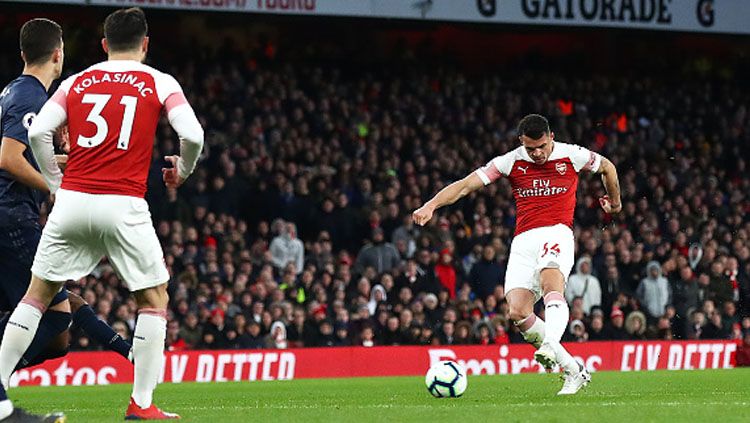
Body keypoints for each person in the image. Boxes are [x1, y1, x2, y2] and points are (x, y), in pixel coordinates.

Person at [0, 8, 203, 420]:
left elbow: (38, 133)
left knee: (36, 298)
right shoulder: (159, 81)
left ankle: (0, 391)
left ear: (104, 45)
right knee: (152, 298)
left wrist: (57, 183)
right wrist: (181, 170)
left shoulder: (76, 81)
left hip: (72, 203)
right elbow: (193, 135)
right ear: (145, 44)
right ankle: (140, 405)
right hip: (123, 203)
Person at [413, 114, 621, 395]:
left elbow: (607, 167)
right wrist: (431, 205)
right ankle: (574, 371)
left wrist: (615, 203)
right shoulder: (511, 160)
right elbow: (465, 185)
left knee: (551, 282)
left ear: (551, 138)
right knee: (518, 312)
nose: (536, 154)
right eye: (530, 148)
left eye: (541, 147)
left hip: (556, 232)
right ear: (521, 142)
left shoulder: (572, 155)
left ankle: (550, 344)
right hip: (523, 241)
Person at [0, 18, 128, 422]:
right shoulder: (30, 96)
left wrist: (68, 163)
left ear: (24, 54)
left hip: (8, 218)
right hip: (12, 219)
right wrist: (52, 186)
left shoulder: (11, 93)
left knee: (57, 338)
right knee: (55, 313)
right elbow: (7, 159)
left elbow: (18, 156)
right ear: (58, 55)